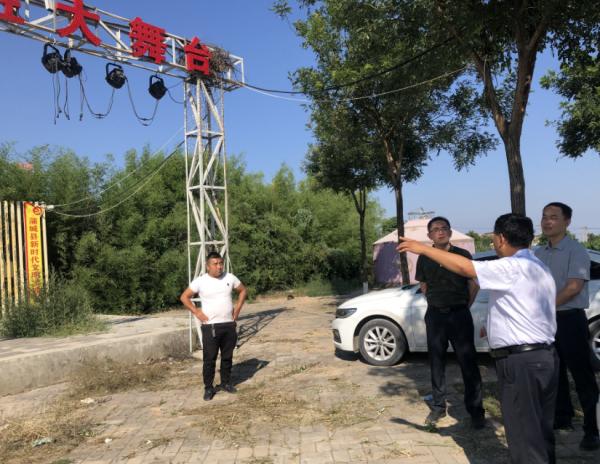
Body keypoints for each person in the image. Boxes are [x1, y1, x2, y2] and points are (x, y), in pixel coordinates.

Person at [398, 213, 558, 464]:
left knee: (525, 436)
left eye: (494, 238)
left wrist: (422, 248)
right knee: (539, 430)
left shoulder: (511, 266)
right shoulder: (538, 266)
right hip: (542, 357)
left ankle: (477, 413)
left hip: (521, 364)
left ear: (501, 238)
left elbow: (466, 270)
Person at [535, 202, 600, 451]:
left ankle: (592, 429)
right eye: (544, 217)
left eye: (553, 217)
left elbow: (573, 288)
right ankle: (562, 417)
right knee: (554, 372)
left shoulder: (576, 250)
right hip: (546, 322)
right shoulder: (538, 253)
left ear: (567, 221)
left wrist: (543, 308)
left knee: (582, 375)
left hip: (570, 320)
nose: (547, 221)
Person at [415, 216, 485, 429]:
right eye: (435, 229)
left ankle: (476, 411)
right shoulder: (424, 257)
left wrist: (463, 306)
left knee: (468, 362)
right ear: (429, 235)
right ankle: (438, 407)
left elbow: (473, 285)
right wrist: (437, 304)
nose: (440, 232)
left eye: (444, 228)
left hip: (459, 315)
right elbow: (424, 286)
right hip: (435, 316)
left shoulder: (462, 255)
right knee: (436, 362)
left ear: (450, 232)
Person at [180, 251, 247, 401]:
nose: (219, 266)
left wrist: (237, 309)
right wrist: (196, 311)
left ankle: (225, 383)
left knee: (227, 357)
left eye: (221, 263)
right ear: (208, 266)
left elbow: (243, 290)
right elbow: (184, 297)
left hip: (228, 325)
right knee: (209, 359)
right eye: (215, 264)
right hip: (210, 327)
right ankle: (209, 388)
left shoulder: (230, 277)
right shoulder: (200, 281)